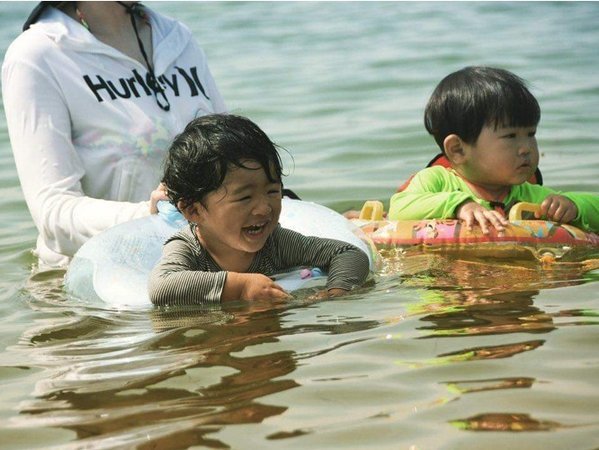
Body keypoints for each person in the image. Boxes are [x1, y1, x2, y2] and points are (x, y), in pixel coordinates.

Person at [2, 2, 226, 268]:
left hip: (201, 266)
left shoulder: (178, 38)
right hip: (96, 290)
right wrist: (149, 216)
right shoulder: (37, 55)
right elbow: (53, 213)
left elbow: (231, 155)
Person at [148, 114, 370, 306]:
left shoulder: (276, 243)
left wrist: (336, 293)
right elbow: (162, 286)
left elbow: (347, 254)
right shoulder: (188, 249)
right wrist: (240, 287)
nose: (265, 208)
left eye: (273, 192)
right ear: (194, 211)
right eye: (245, 197)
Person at [388, 66, 598, 234]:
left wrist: (574, 206)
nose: (526, 148)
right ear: (457, 149)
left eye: (531, 134)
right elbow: (399, 208)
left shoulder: (529, 194)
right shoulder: (436, 181)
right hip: (448, 285)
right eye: (510, 136)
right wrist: (459, 205)